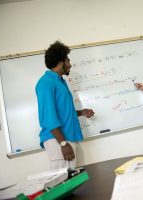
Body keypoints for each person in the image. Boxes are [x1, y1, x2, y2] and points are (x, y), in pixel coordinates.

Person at [35, 41, 95, 170]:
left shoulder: (60, 81)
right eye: (68, 61)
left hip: (70, 137)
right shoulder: (46, 83)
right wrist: (62, 143)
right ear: (60, 62)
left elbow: (63, 111)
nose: (70, 65)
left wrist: (81, 113)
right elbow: (49, 117)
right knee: (62, 183)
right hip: (59, 140)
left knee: (77, 179)